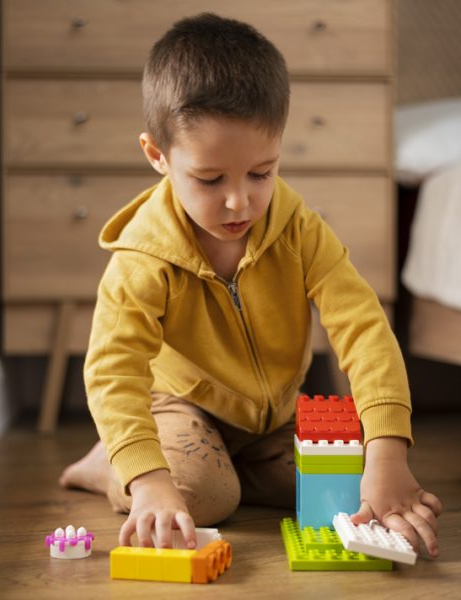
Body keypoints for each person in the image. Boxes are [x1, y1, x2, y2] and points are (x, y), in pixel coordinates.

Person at [60, 13, 442, 556]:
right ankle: (110, 462)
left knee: (341, 490)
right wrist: (148, 481)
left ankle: (223, 465)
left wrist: (386, 454)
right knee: (202, 497)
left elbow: (363, 329)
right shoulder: (143, 258)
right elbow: (112, 369)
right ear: (157, 156)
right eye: (211, 179)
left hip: (270, 420)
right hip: (180, 406)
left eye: (262, 173)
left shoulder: (300, 230)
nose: (239, 201)